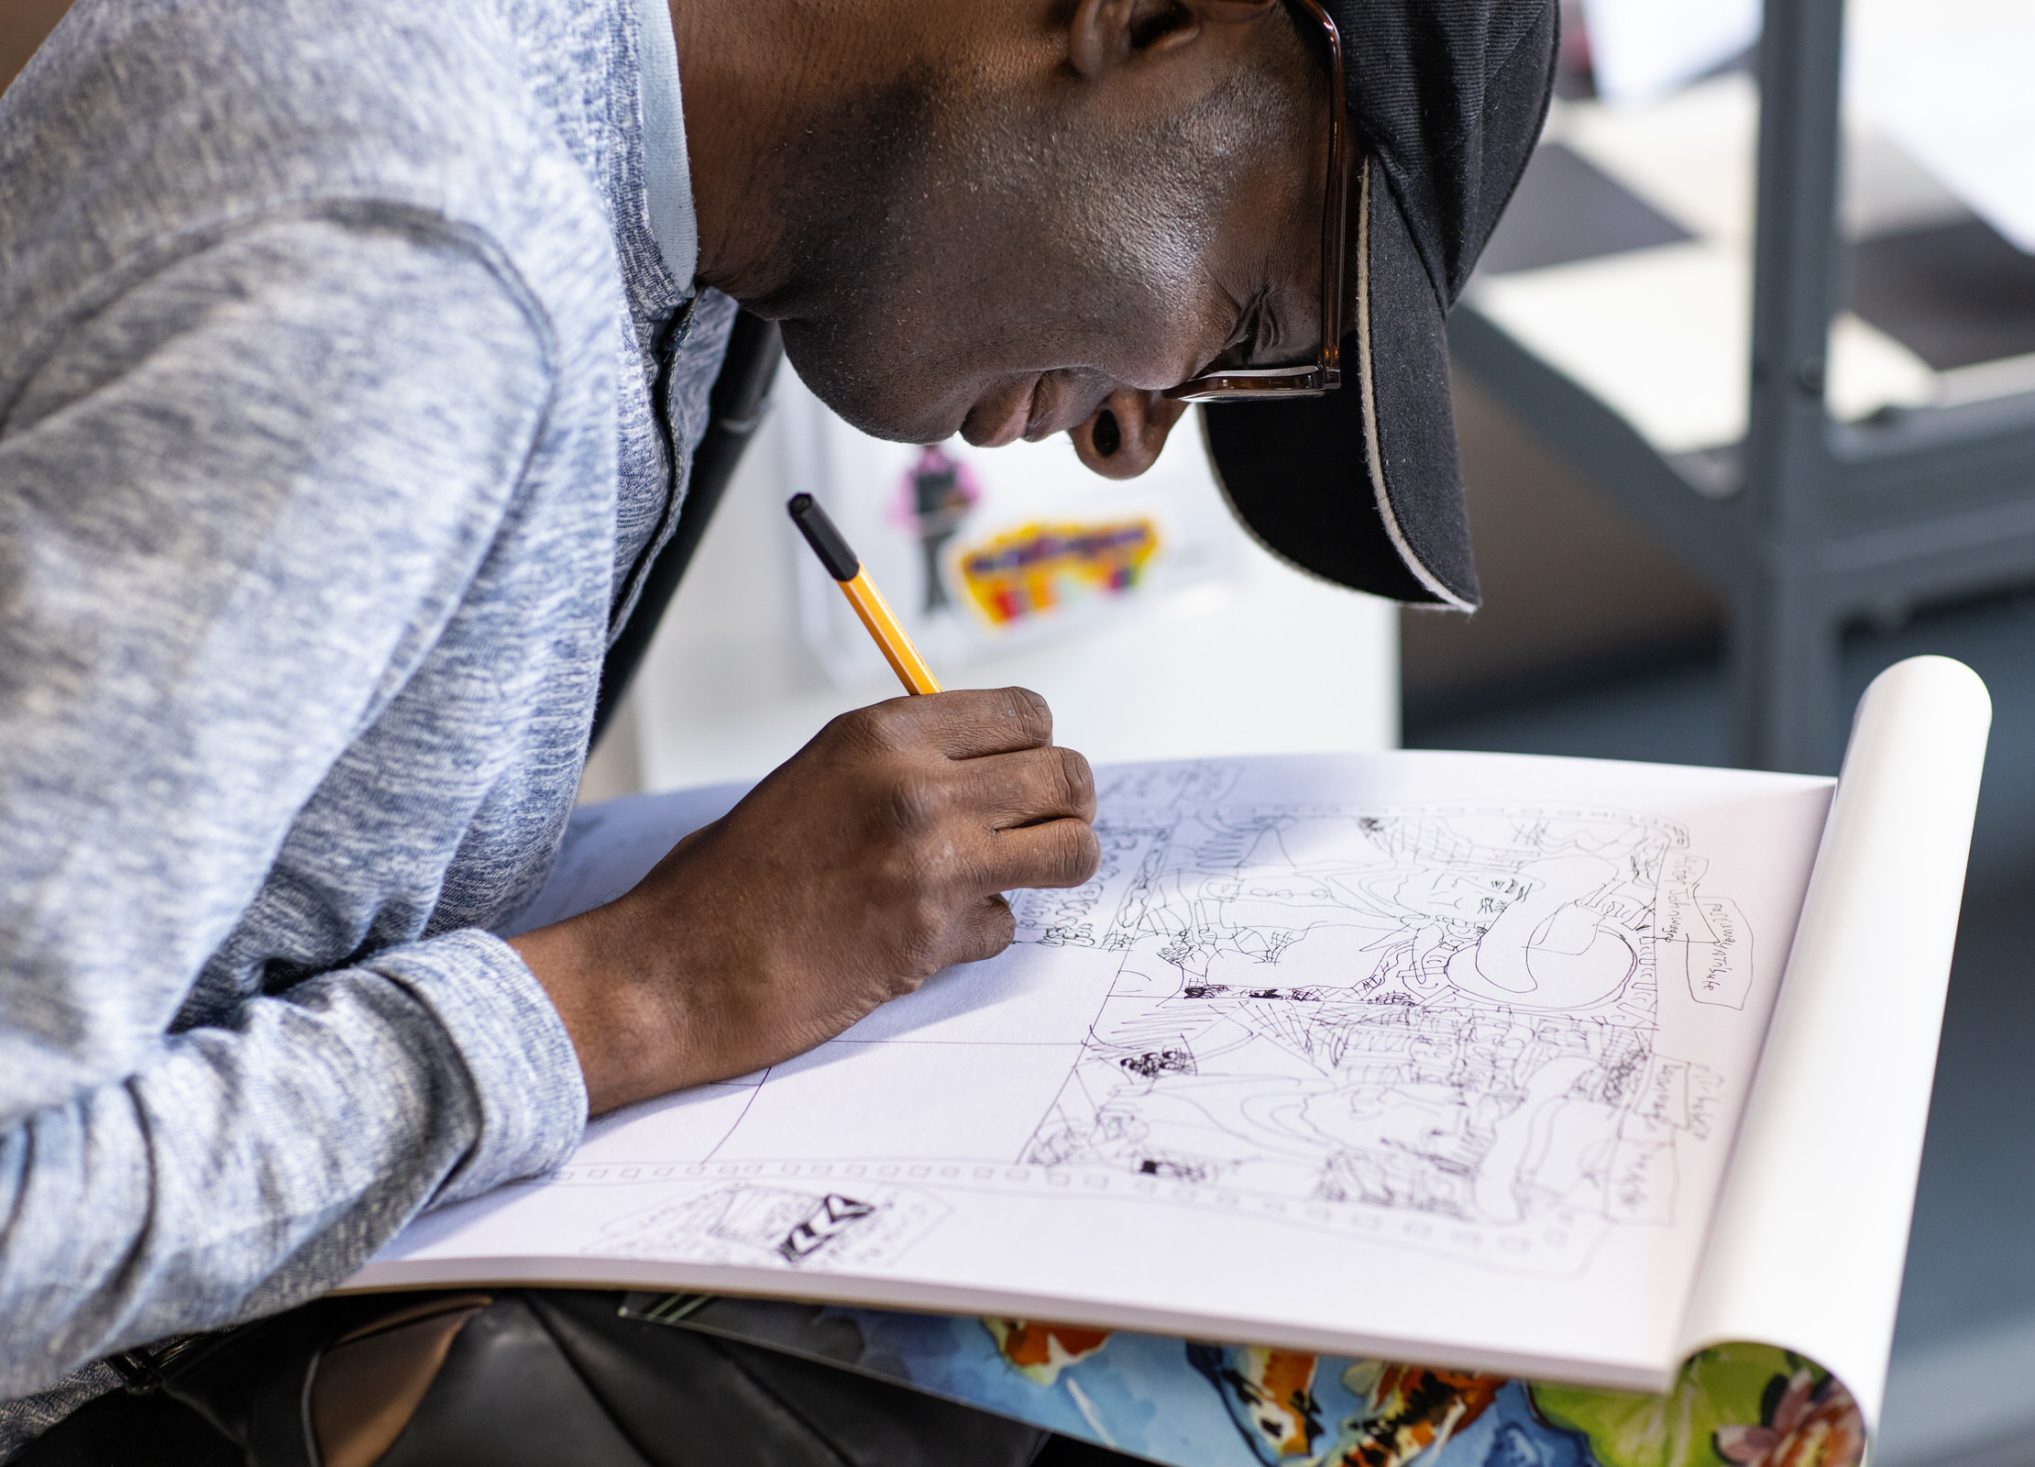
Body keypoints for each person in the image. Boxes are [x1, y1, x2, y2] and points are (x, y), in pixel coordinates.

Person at [0, 0, 1555, 1458]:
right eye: (1246, 315)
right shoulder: (417, 261)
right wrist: (641, 991)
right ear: (1142, 14)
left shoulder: (683, 253)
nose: (1133, 433)